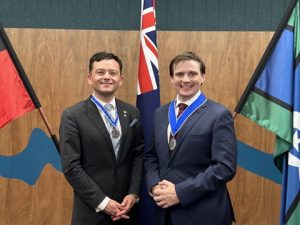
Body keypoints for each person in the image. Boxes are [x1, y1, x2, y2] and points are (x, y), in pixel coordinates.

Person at [144, 51, 237, 225]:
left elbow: (224, 167)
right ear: (171, 78)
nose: (185, 80)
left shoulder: (219, 114)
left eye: (192, 74)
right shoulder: (160, 113)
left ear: (203, 77)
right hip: (165, 213)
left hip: (204, 213)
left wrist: (180, 192)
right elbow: (150, 157)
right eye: (179, 74)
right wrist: (154, 185)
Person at [60, 51, 144, 225]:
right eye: (100, 72)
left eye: (112, 73)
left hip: (127, 210)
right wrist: (103, 203)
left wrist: (133, 193)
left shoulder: (132, 113)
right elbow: (71, 167)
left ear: (120, 79)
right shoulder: (73, 115)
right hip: (91, 212)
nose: (107, 77)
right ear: (90, 78)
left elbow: (138, 155)